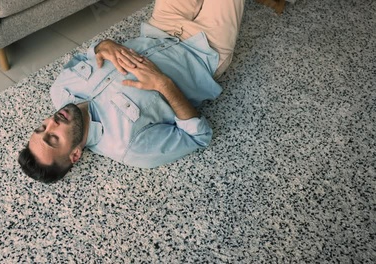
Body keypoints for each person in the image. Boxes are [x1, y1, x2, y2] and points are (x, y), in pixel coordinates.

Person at [19, 0, 245, 183]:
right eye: (54, 138)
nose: (52, 122)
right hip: (204, 51)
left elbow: (86, 56)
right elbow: (199, 136)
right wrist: (162, 84)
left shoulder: (60, 88)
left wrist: (103, 46)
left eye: (42, 127)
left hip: (160, 27)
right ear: (75, 154)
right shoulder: (131, 147)